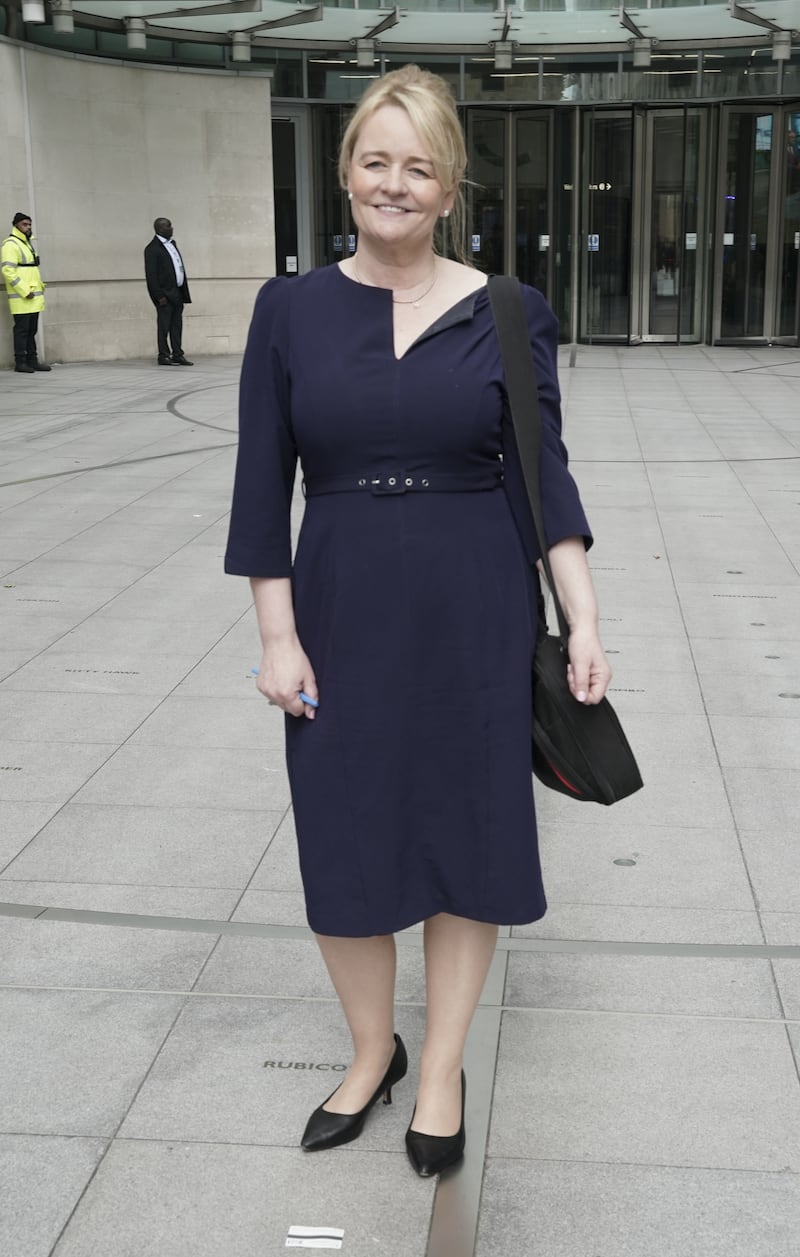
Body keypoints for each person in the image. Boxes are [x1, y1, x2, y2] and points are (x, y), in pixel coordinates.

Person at [224, 65, 610, 1178]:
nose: (393, 183)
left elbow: (549, 487)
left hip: (473, 608)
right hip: (340, 606)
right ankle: (367, 1051)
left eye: (419, 167)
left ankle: (437, 1065)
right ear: (346, 171)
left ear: (449, 188)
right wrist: (276, 636)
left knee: (465, 836)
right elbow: (262, 490)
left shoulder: (509, 310)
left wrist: (580, 621)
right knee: (342, 835)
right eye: (375, 161)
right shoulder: (288, 309)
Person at [2, 212, 50, 373]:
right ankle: (20, 362)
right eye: (24, 224)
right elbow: (8, 271)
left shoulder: (27, 243)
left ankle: (32, 360)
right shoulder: (11, 244)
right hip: (22, 297)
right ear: (16, 225)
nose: (28, 227)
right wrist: (23, 290)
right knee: (22, 330)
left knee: (32, 330)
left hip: (33, 296)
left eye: (29, 224)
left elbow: (30, 269)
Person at [143, 217, 193, 366]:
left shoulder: (172, 244)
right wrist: (159, 296)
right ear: (160, 229)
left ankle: (178, 354)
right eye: (168, 226)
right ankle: (163, 355)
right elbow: (151, 275)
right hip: (164, 295)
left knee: (177, 325)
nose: (172, 228)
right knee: (164, 326)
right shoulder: (152, 249)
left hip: (177, 292)